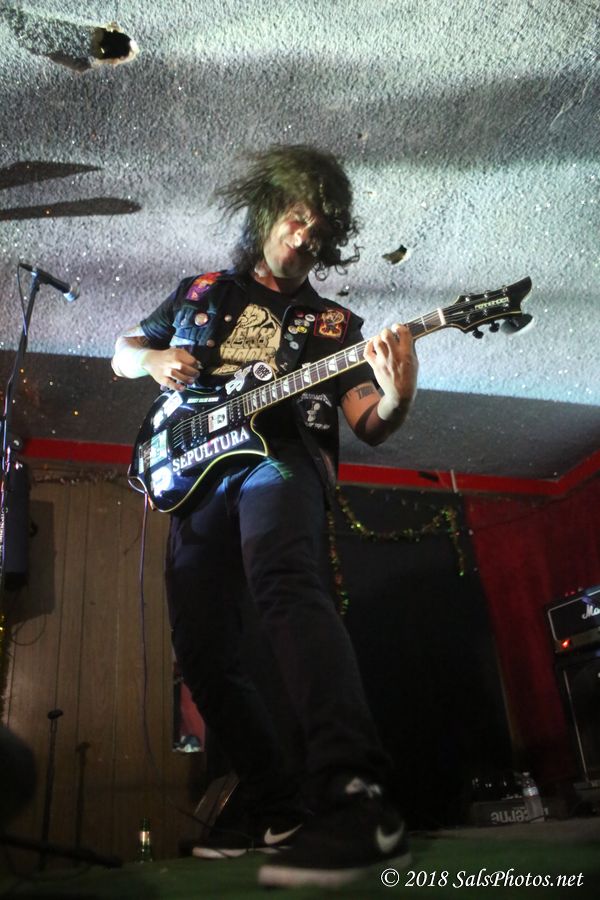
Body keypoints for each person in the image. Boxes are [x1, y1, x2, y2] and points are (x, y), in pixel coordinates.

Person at [111, 144, 418, 889]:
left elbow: (369, 422)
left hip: (278, 460)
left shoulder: (333, 323)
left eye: (321, 232)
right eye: (297, 218)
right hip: (191, 477)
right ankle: (276, 804)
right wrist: (151, 362)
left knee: (286, 582)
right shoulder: (201, 292)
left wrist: (397, 394)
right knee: (201, 648)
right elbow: (122, 351)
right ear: (269, 211)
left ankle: (356, 793)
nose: (305, 237)